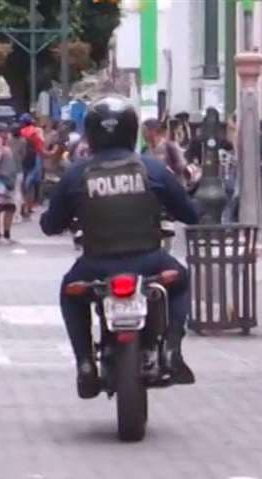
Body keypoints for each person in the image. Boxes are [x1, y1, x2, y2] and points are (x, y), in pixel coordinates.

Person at [40, 95, 198, 399]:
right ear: (131, 130)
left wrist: (62, 219)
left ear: (90, 132)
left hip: (94, 265)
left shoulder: (76, 174)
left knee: (70, 294)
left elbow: (50, 225)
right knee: (180, 280)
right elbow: (189, 213)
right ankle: (172, 349)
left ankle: (85, 363)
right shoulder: (152, 169)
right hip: (150, 261)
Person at [141, 118, 188, 185]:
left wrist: (166, 170)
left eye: (145, 131)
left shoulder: (170, 146)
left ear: (153, 131)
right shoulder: (144, 150)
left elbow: (182, 167)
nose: (143, 134)